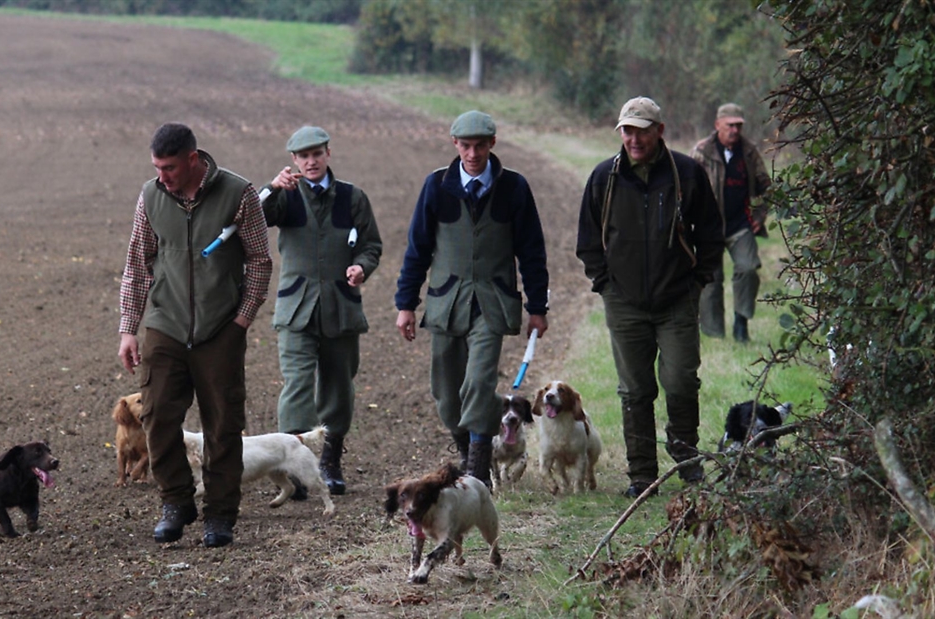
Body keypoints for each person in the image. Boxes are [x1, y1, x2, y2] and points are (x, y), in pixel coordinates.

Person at [118, 123, 272, 548]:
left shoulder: (238, 194)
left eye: (169, 167)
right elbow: (137, 264)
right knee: (157, 415)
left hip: (221, 327)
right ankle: (176, 502)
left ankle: (220, 516)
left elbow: (260, 260)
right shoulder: (151, 196)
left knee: (223, 426)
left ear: (192, 159)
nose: (161, 175)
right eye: (156, 167)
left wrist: (242, 318)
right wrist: (128, 328)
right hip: (165, 324)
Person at [575, 97, 724, 498]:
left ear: (659, 130)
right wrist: (605, 284)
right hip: (623, 303)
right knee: (635, 390)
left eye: (642, 129)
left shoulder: (687, 174)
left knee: (680, 382)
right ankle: (641, 476)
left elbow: (711, 235)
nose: (634, 138)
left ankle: (687, 459)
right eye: (627, 130)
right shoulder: (604, 177)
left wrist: (696, 284)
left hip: (677, 299)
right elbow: (588, 242)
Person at [395, 110, 549, 491]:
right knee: (447, 393)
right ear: (455, 145)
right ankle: (467, 448)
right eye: (466, 145)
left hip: (493, 303)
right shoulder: (436, 186)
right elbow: (418, 248)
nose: (473, 153)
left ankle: (478, 469)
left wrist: (537, 308)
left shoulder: (514, 187)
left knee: (479, 383)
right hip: (447, 301)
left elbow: (532, 251)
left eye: (480, 145)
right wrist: (405, 304)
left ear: (492, 144)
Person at [260, 126, 382, 497]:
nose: (311, 161)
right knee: (297, 384)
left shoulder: (351, 197)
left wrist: (362, 266)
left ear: (328, 153)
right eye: (303, 156)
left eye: (317, 154)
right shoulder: (284, 196)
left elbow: (371, 244)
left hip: (340, 307)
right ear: (294, 161)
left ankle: (330, 460)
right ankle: (295, 468)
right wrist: (271, 187)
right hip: (296, 308)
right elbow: (253, 216)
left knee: (338, 387)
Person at [690, 103, 773, 342]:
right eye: (730, 125)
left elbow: (766, 187)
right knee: (710, 280)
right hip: (708, 229)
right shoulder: (701, 152)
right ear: (718, 125)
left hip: (740, 225)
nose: (735, 130)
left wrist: (759, 216)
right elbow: (685, 189)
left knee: (748, 269)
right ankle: (714, 333)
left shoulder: (749, 152)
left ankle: (741, 323)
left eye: (739, 125)